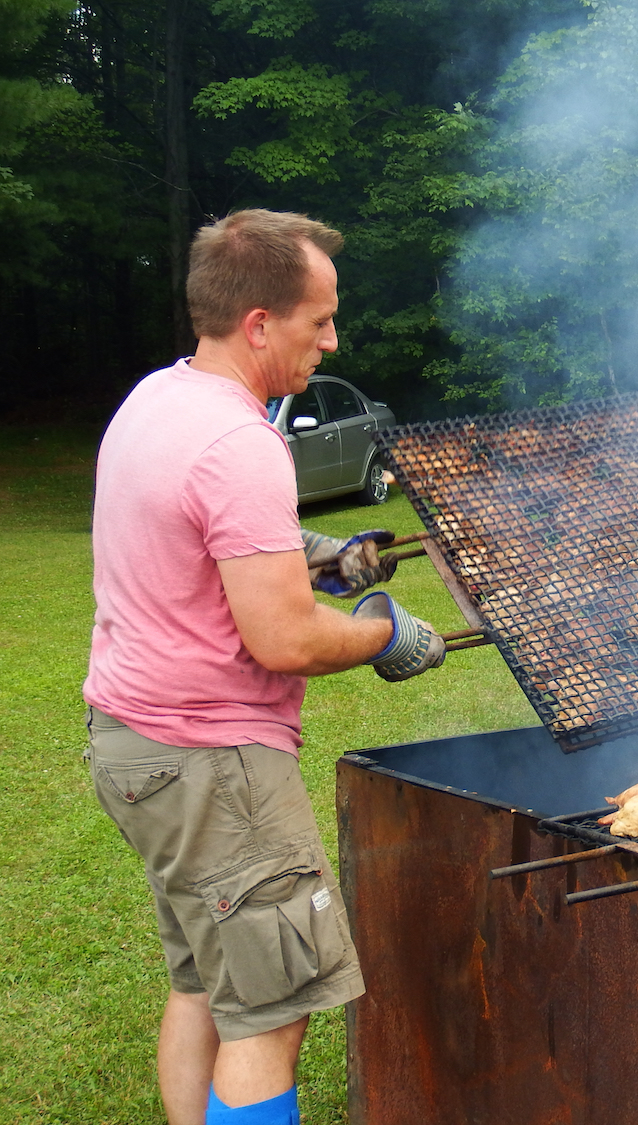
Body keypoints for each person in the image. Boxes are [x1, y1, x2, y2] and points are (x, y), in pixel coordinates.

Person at [82, 209, 446, 1125]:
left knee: (207, 983)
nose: (332, 339)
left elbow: (207, 542)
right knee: (273, 1014)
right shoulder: (240, 445)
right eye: (317, 321)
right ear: (258, 324)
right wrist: (380, 628)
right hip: (217, 767)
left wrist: (323, 555)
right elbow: (283, 640)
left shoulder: (158, 399)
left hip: (135, 749)